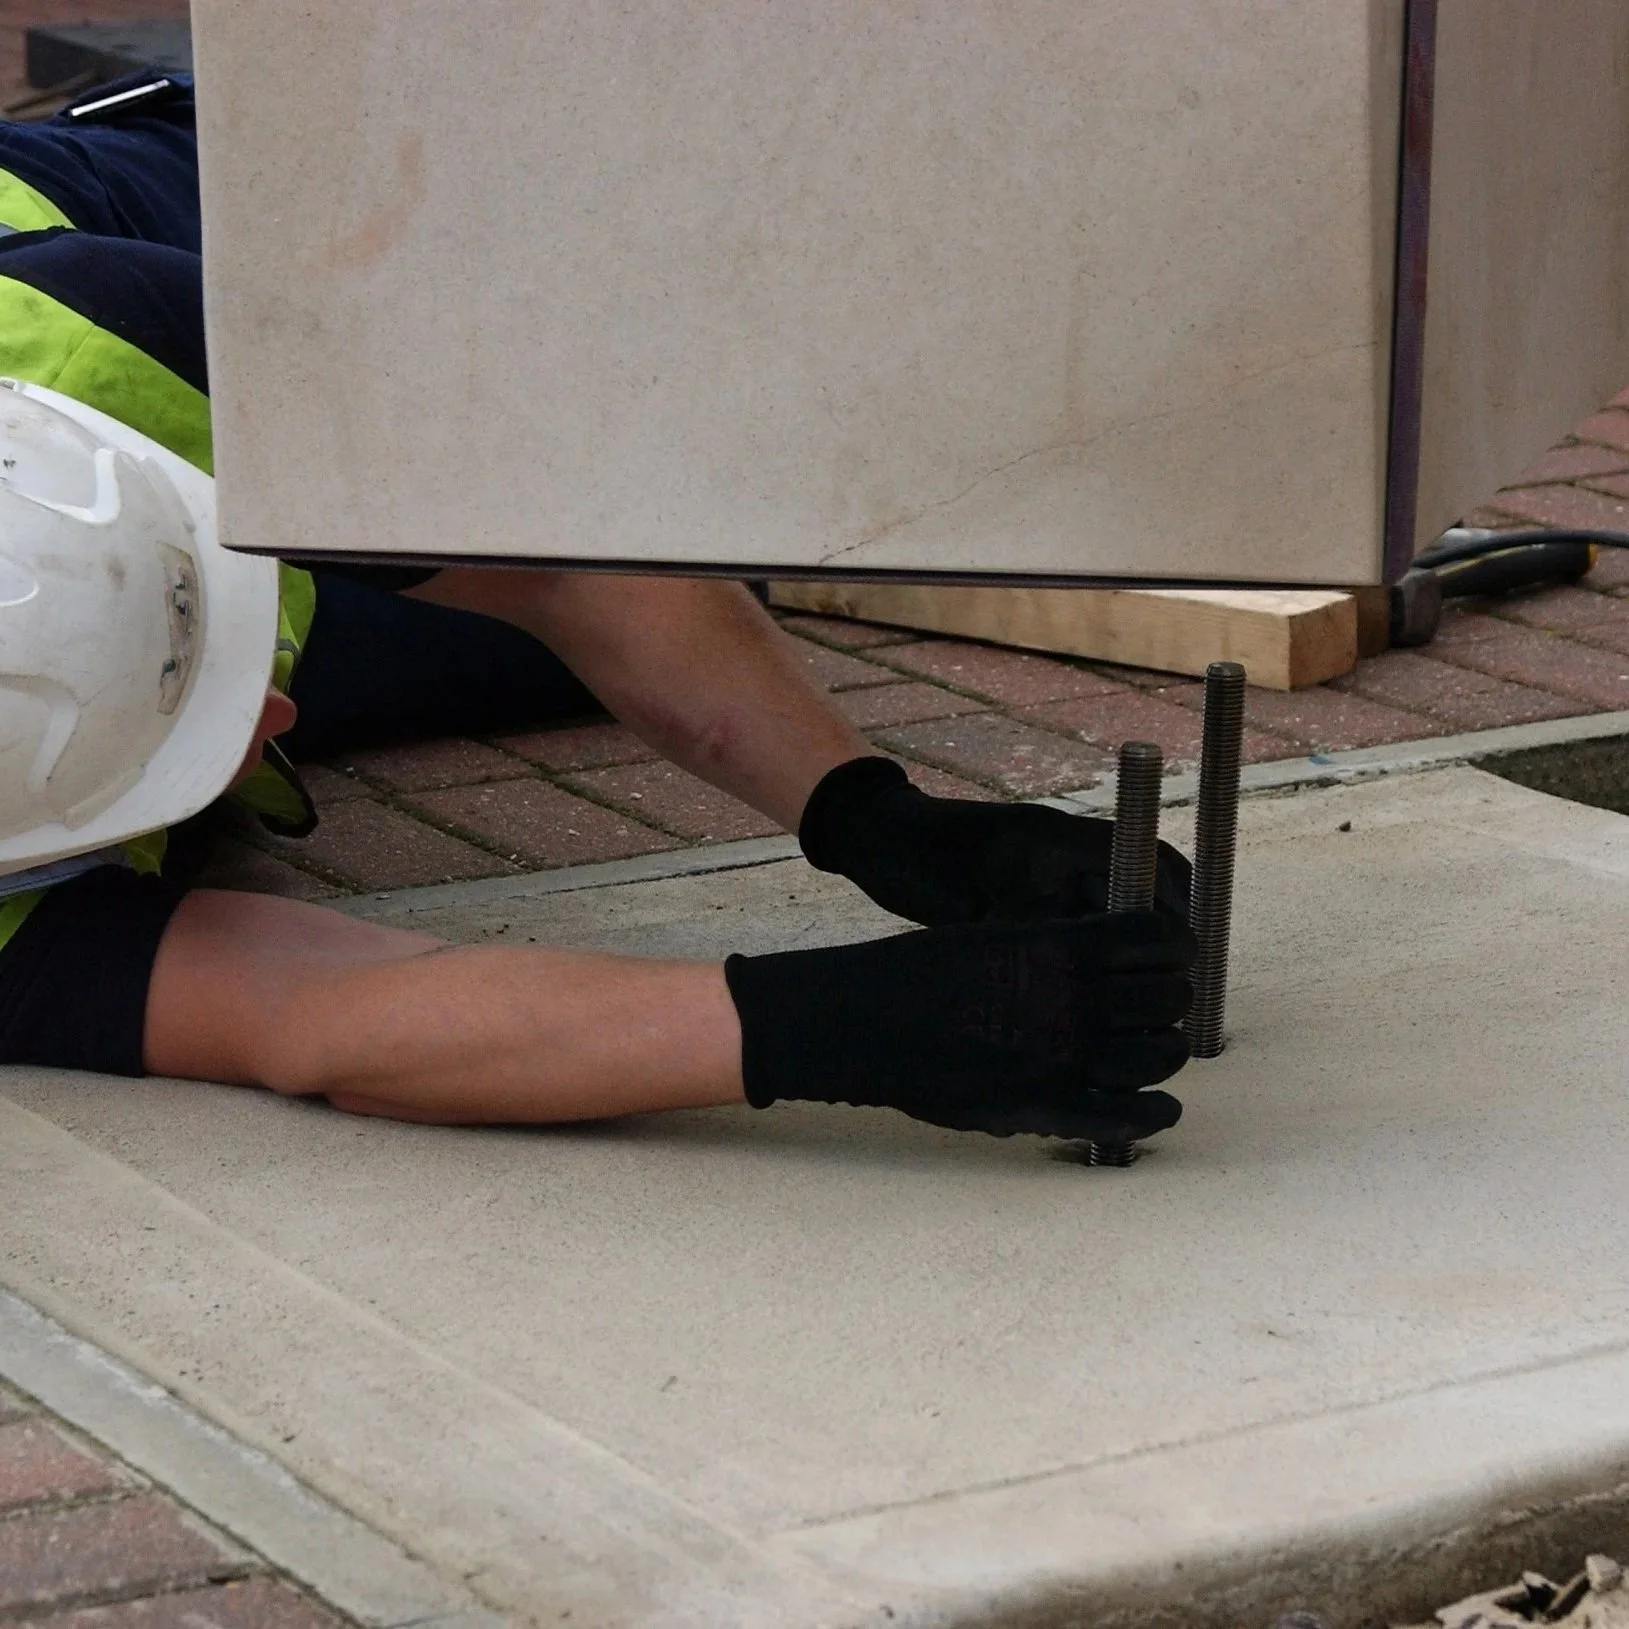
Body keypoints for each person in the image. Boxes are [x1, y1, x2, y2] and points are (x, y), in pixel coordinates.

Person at [0, 73, 1196, 1144]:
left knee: (616, 468)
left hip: (102, 230)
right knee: (611, 611)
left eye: (218, 651)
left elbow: (567, 572)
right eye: (201, 701)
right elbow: (329, 1017)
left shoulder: (111, 339)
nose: (277, 710)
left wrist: (877, 819)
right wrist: (842, 1027)